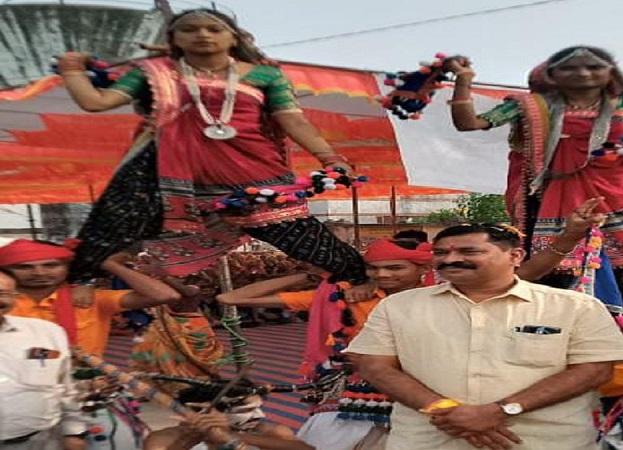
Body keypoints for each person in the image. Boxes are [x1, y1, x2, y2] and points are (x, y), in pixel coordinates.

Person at [57, 8, 368, 287]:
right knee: (107, 228)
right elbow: (95, 102)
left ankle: (361, 283)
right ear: (175, 39)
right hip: (169, 174)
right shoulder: (154, 72)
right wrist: (72, 70)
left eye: (213, 29)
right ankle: (76, 288)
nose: (202, 35)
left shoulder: (265, 74)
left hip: (253, 172)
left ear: (232, 38)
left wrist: (331, 158)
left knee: (310, 243)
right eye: (190, 29)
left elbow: (294, 121)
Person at [446, 46, 623, 328]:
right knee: (553, 271)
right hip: (556, 196)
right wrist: (464, 79)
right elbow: (468, 123)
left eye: (593, 67)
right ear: (552, 74)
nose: (582, 73)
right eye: (570, 67)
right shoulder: (530, 105)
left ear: (610, 71)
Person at [346, 224, 623, 450]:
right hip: (429, 439)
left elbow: (594, 370)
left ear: (515, 256)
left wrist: (502, 411)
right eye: (441, 253)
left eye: (468, 252)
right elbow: (375, 366)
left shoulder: (574, 306)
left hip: (541, 441)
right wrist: (445, 409)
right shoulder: (399, 305)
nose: (451, 259)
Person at [218, 238, 434, 450]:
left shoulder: (442, 298)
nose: (382, 275)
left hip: (423, 389)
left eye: (395, 268)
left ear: (423, 267)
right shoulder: (341, 297)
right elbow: (230, 298)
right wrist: (308, 275)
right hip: (355, 396)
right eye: (373, 269)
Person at [0, 239, 181, 355]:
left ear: (66, 267)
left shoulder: (91, 299)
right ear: (6, 271)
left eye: (50, 265)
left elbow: (166, 295)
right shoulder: (4, 304)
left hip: (86, 386)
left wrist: (109, 265)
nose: (39, 273)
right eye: (24, 267)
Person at [0, 270, 87, 450]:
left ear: (15, 297)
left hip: (40, 441)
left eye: (3, 293)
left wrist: (73, 430)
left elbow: (63, 383)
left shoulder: (46, 332)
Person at [144, 381, 312, 450]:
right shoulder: (163, 438)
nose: (258, 415)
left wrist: (231, 436)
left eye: (258, 408)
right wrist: (188, 439)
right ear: (204, 411)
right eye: (246, 410)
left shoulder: (274, 433)